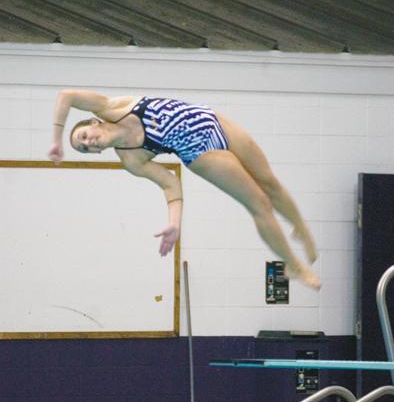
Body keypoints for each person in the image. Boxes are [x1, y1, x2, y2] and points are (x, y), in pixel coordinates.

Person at [48, 89, 320, 290]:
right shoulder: (130, 158)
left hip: (212, 120)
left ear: (93, 123)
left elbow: (66, 95)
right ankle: (294, 266)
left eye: (84, 137)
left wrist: (57, 140)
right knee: (258, 203)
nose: (89, 143)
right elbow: (169, 183)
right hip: (201, 154)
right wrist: (174, 224)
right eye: (85, 148)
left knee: (269, 182)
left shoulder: (112, 108)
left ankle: (300, 227)